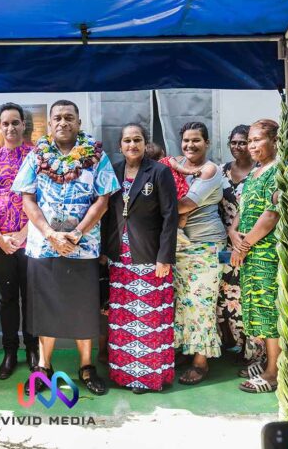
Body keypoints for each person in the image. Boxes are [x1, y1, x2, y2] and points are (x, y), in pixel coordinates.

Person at [12, 99, 120, 395]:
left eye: (69, 117)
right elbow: (27, 199)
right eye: (57, 118)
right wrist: (50, 234)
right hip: (43, 247)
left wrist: (76, 234)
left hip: (82, 248)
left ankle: (86, 367)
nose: (63, 122)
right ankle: (44, 367)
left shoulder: (97, 157)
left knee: (83, 309)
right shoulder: (36, 155)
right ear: (49, 124)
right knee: (45, 308)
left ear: (79, 123)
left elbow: (103, 200)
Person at [102, 123, 178, 393]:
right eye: (126, 141)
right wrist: (104, 251)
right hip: (119, 257)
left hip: (150, 255)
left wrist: (164, 257)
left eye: (137, 140)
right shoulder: (113, 171)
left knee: (148, 318)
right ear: (120, 145)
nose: (132, 145)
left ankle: (147, 378)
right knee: (123, 317)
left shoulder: (159, 172)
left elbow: (171, 216)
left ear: (145, 144)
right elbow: (107, 213)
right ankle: (124, 376)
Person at [162, 122, 227, 385]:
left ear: (207, 143)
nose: (190, 145)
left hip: (206, 246)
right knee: (184, 301)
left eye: (197, 140)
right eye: (186, 141)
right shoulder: (175, 164)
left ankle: (201, 361)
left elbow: (185, 204)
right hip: (179, 246)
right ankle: (187, 350)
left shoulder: (210, 169)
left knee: (202, 304)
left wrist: (162, 207)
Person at [0, 103, 38, 379]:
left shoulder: (37, 155)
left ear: (23, 125)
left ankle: (34, 351)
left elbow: (44, 198)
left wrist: (25, 233)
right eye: (6, 123)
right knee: (8, 299)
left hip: (33, 240)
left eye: (16, 122)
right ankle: (11, 352)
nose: (11, 128)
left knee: (33, 298)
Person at [231, 119, 281, 394]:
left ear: (274, 141)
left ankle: (274, 372)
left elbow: (272, 214)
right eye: (249, 140)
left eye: (257, 140)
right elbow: (244, 207)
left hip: (267, 253)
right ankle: (265, 360)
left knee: (270, 311)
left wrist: (244, 245)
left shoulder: (279, 172)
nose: (251, 145)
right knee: (256, 309)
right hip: (250, 252)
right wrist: (233, 230)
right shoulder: (255, 172)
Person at [217, 124, 260, 359]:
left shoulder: (260, 172)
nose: (238, 147)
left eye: (243, 142)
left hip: (252, 241)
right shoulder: (221, 171)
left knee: (248, 297)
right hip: (225, 243)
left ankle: (253, 353)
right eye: (234, 142)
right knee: (225, 296)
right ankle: (231, 345)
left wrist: (242, 238)